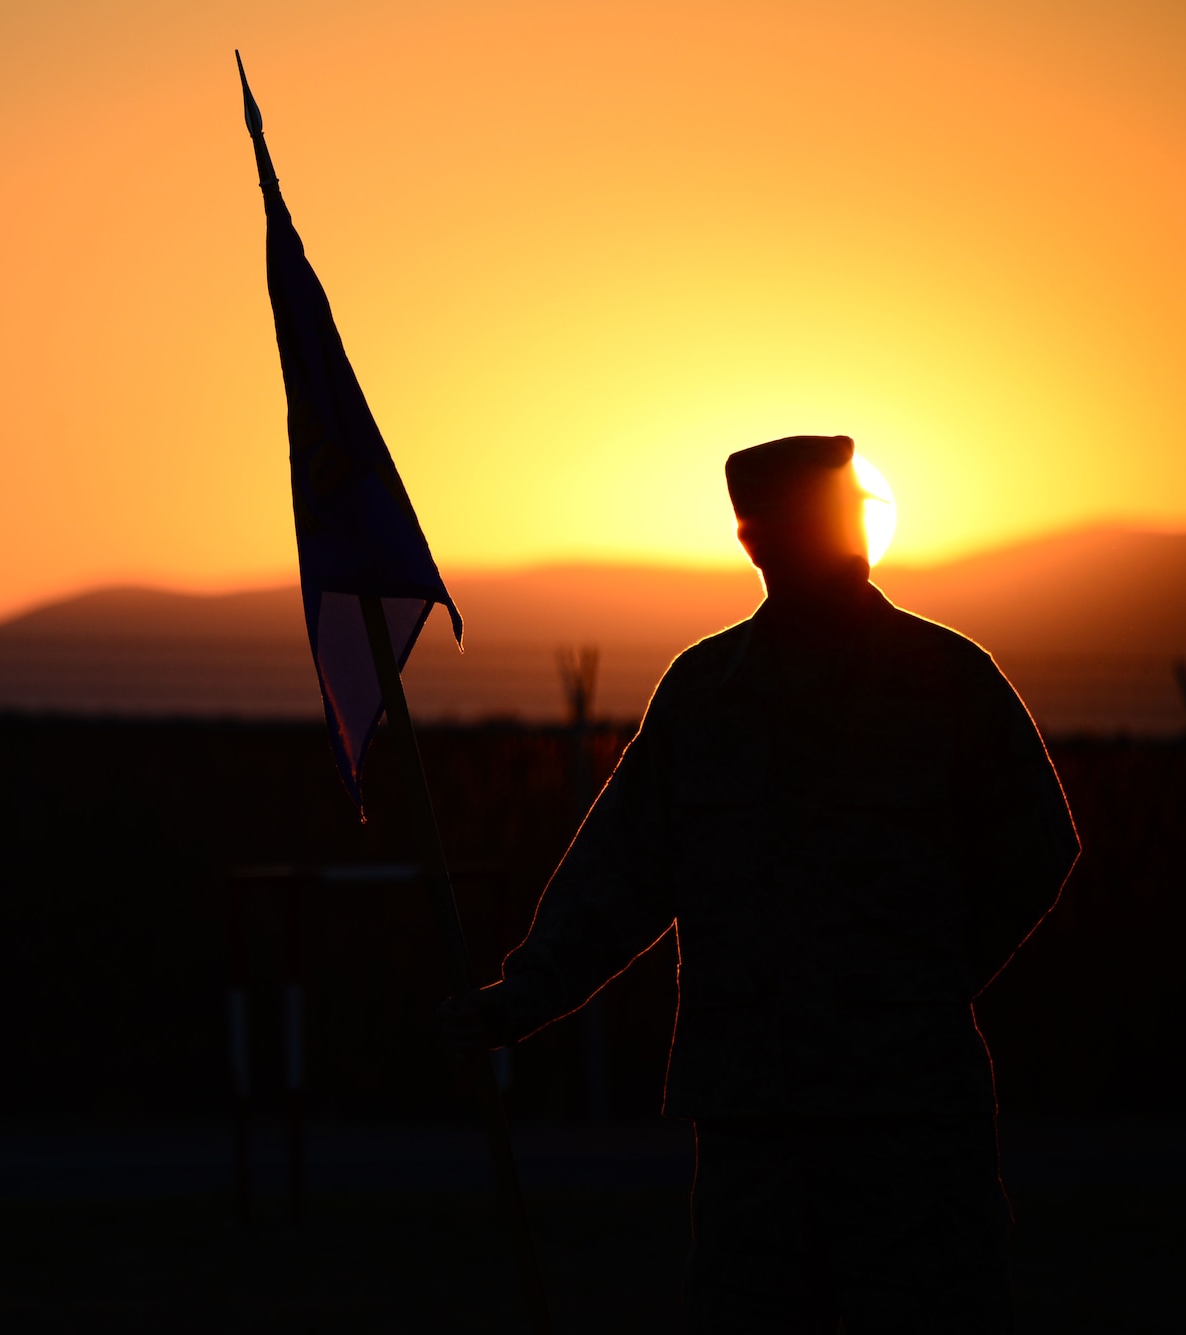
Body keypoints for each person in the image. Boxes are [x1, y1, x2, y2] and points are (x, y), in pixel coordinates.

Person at [442, 435, 1079, 1333]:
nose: (841, 531)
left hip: (906, 1121)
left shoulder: (945, 679)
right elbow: (622, 873)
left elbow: (1037, 845)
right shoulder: (706, 695)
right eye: (820, 516)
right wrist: (520, 1000)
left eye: (847, 510)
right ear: (757, 539)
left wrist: (926, 984)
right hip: (759, 1128)